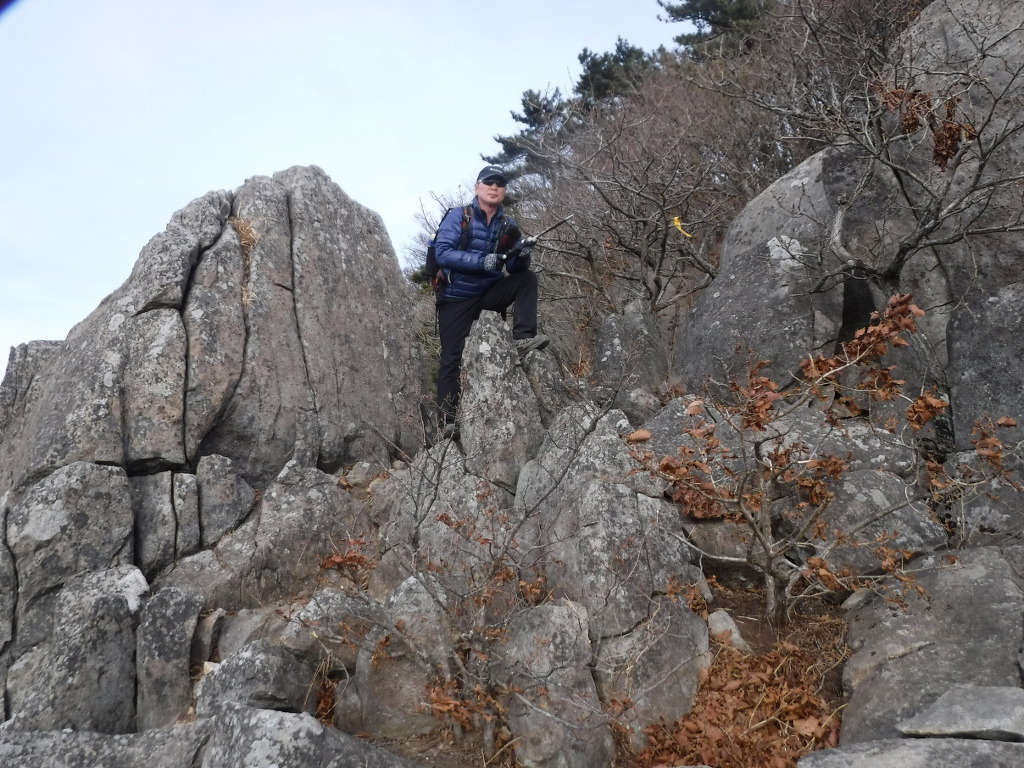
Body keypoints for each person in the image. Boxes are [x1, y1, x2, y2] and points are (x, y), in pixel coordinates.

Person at [434, 164, 549, 438]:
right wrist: (482, 261)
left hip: (489, 294)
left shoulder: (508, 224)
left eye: (500, 183)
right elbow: (443, 253)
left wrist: (522, 255)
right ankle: (446, 422)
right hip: (456, 297)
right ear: (477, 187)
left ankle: (523, 339)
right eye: (489, 182)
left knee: (527, 279)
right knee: (452, 358)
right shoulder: (458, 216)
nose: (494, 187)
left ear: (504, 190)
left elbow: (515, 268)